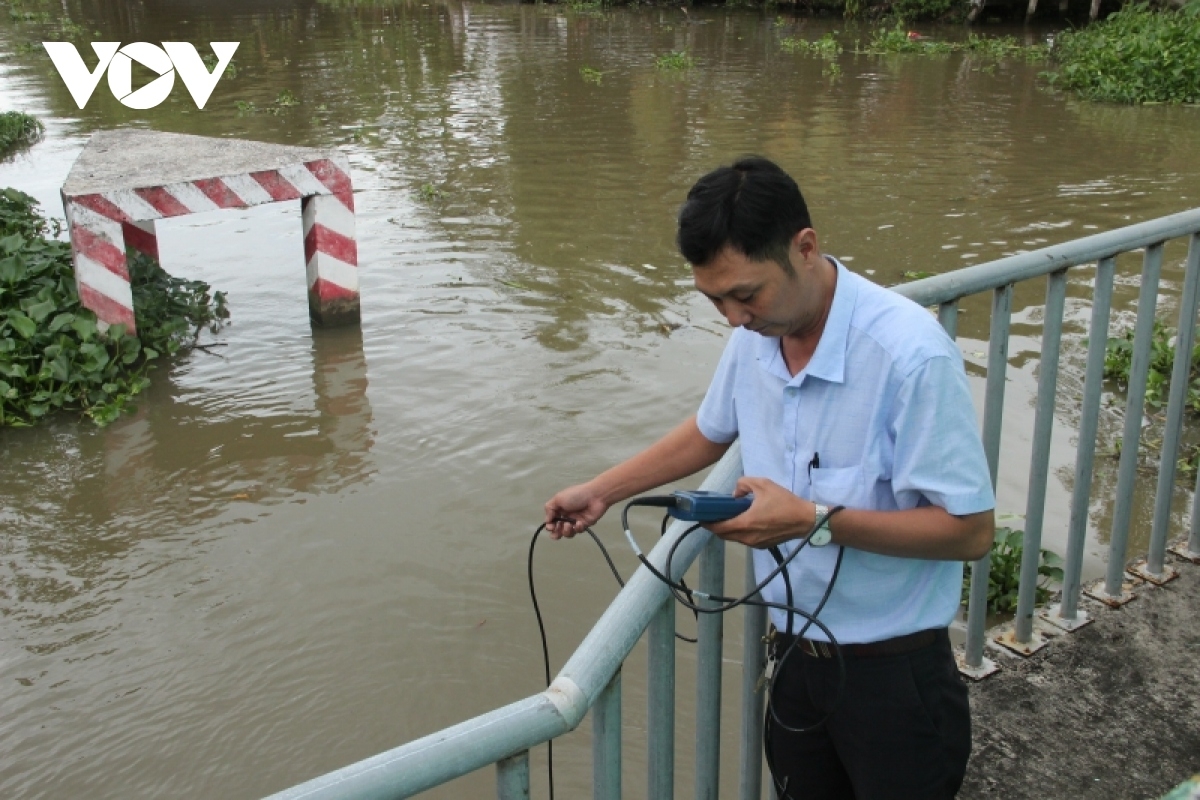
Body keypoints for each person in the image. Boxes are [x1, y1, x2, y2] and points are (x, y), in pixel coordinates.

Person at [543, 155, 995, 800]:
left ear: (804, 248)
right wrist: (602, 491)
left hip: (895, 675)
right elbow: (709, 430)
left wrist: (814, 521)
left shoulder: (909, 356)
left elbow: (970, 531)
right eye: (714, 299)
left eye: (745, 294)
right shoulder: (757, 335)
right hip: (794, 658)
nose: (732, 317)